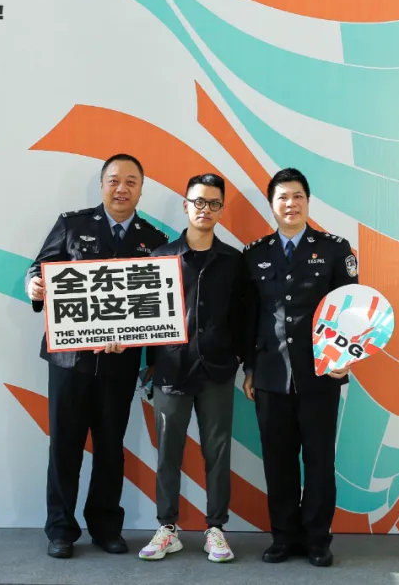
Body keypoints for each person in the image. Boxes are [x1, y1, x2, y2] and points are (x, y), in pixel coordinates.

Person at [25, 153, 169, 559]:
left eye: (130, 181)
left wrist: (148, 352)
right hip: (70, 360)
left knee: (110, 446)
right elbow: (40, 270)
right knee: (64, 446)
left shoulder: (154, 239)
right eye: (114, 180)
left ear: (141, 189)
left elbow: (158, 305)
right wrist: (34, 286)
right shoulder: (72, 225)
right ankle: (60, 530)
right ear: (102, 184)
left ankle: (106, 527)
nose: (121, 188)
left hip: (121, 362)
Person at [241, 167, 360, 567]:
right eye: (282, 197)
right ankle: (283, 537)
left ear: (308, 202)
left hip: (321, 373)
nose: (290, 204)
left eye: (297, 196)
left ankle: (317, 540)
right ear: (271, 204)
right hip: (270, 374)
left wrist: (345, 358)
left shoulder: (334, 249)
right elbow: (249, 316)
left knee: (320, 461)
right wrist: (250, 368)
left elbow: (351, 309)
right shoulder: (255, 253)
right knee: (278, 461)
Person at [137, 174, 252, 564]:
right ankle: (167, 528)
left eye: (214, 203)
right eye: (199, 202)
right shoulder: (161, 257)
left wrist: (244, 362)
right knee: (168, 452)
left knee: (217, 452)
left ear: (221, 210)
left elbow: (245, 318)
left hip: (217, 370)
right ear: (186, 205)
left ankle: (215, 528)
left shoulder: (234, 261)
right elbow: (145, 318)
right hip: (171, 370)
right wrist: (149, 365)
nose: (205, 209)